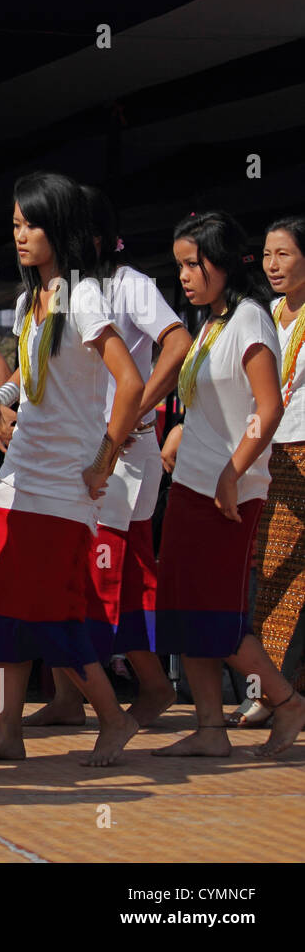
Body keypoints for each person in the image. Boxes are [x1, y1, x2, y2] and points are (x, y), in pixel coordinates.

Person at [0, 172, 145, 767]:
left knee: (52, 612)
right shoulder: (32, 300)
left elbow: (130, 381)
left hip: (64, 482)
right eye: (17, 223)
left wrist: (103, 459)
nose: (21, 234)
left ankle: (113, 718)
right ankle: (9, 731)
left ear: (63, 228)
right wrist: (3, 398)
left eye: (33, 223)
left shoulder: (85, 296)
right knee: (4, 610)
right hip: (18, 475)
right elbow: (31, 374)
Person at [24, 186, 192, 729]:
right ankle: (78, 695)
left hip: (119, 453)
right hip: (79, 448)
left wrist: (139, 408)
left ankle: (144, 686)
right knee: (85, 571)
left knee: (105, 572)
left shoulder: (128, 284)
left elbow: (178, 341)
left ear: (89, 235)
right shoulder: (62, 290)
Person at [154, 211, 305, 757]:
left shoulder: (249, 319)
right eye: (181, 266)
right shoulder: (212, 323)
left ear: (221, 262)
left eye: (195, 264)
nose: (187, 276)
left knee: (217, 614)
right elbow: (216, 402)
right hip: (192, 484)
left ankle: (285, 700)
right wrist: (179, 435)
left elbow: (270, 407)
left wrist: (232, 471)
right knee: (187, 610)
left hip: (228, 493)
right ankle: (210, 728)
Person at [235, 216, 305, 726]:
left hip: (300, 449)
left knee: (286, 570)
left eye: (283, 253)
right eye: (266, 254)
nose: (272, 265)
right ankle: (276, 688)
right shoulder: (269, 315)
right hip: (264, 450)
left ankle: (269, 692)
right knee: (262, 567)